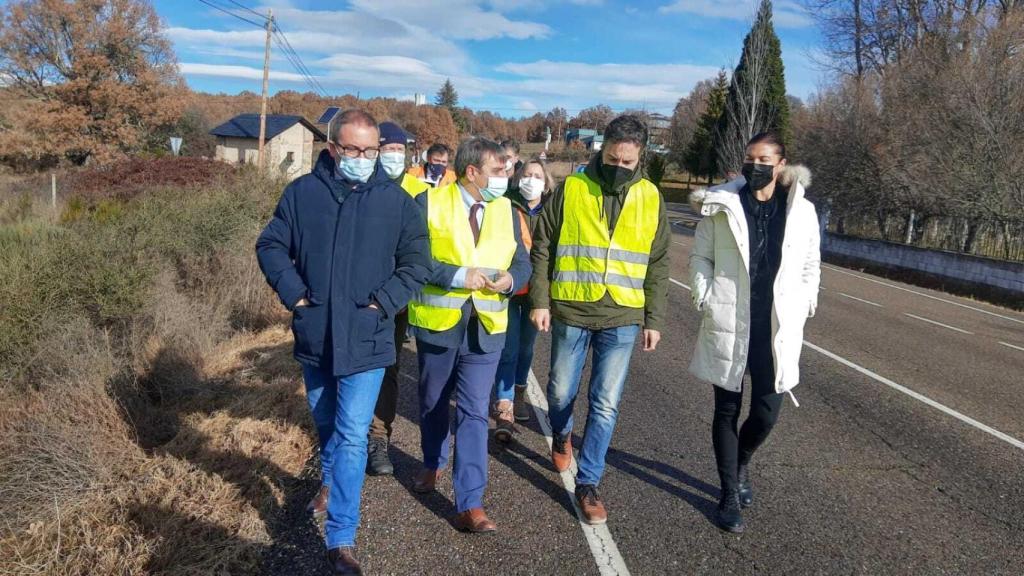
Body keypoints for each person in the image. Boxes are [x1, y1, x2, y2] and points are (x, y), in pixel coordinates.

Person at [255, 109, 431, 575]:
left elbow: (417, 263)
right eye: (352, 149)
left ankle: (340, 538)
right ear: (332, 149)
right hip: (316, 334)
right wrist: (295, 295)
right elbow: (271, 246)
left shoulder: (396, 203)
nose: (362, 158)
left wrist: (384, 302)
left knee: (353, 436)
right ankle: (329, 482)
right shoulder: (302, 195)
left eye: (370, 150)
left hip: (368, 340)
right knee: (327, 423)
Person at [529, 114, 670, 525]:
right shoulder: (573, 188)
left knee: (605, 404)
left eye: (628, 162)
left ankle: (588, 483)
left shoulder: (650, 196)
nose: (619, 167)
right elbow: (544, 245)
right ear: (602, 149)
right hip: (572, 308)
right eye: (613, 158)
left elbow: (658, 263)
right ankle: (561, 433)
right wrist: (540, 300)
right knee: (558, 393)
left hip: (623, 314)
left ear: (640, 158)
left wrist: (653, 318)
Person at [687, 132, 820, 534]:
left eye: (764, 159)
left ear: (781, 164)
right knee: (726, 409)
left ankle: (742, 460)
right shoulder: (723, 206)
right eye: (749, 158)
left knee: (766, 413)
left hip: (776, 328)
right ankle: (727, 492)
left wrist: (805, 303)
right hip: (730, 320)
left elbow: (812, 263)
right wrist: (705, 297)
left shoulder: (801, 211)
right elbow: (700, 257)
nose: (755, 166)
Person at [408, 137, 532, 533]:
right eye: (498, 171)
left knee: (475, 411)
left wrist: (512, 279)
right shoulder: (428, 203)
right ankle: (432, 461)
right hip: (439, 324)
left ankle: (470, 502)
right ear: (472, 172)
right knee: (432, 400)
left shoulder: (507, 212)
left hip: (487, 328)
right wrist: (462, 276)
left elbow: (523, 262)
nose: (506, 177)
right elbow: (414, 259)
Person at [365, 121, 430, 476]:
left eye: (397, 149)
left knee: (386, 366)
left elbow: (418, 248)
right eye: (386, 148)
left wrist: (399, 292)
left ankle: (378, 436)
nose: (392, 155)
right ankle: (346, 436)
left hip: (396, 297)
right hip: (355, 293)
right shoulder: (359, 184)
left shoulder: (419, 191)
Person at [492, 157, 553, 442]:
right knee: (509, 346)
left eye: (537, 175)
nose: (532, 179)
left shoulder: (551, 209)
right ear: (518, 178)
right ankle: (504, 405)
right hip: (510, 286)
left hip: (536, 291)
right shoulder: (506, 203)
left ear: (546, 180)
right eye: (527, 174)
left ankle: (518, 389)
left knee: (527, 347)